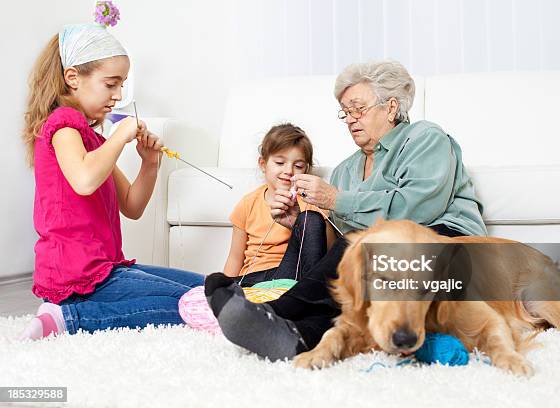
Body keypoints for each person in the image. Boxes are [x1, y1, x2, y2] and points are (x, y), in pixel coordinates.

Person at [204, 60, 487, 361]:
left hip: (444, 244)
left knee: (365, 248)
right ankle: (297, 337)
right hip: (383, 262)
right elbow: (336, 247)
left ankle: (276, 311)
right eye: (345, 112)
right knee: (349, 274)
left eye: (358, 109)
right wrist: (296, 224)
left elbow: (418, 208)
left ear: (391, 108)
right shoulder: (345, 171)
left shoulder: (424, 138)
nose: (351, 119)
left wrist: (337, 200)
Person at [19, 24, 203, 341]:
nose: (118, 96)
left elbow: (132, 205)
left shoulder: (91, 139)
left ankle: (67, 312)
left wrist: (149, 162)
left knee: (207, 288)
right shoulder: (63, 124)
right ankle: (67, 318)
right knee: (200, 304)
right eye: (111, 84)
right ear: (72, 78)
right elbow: (85, 180)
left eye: (122, 85)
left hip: (105, 270)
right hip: (77, 276)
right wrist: (120, 134)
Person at [179, 124, 330, 331]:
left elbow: (326, 254)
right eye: (279, 162)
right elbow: (235, 257)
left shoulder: (312, 202)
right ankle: (241, 307)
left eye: (298, 166)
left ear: (306, 170)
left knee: (311, 219)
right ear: (263, 164)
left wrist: (298, 220)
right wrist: (224, 287)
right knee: (214, 282)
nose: (288, 171)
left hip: (294, 280)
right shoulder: (248, 203)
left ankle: (308, 312)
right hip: (255, 280)